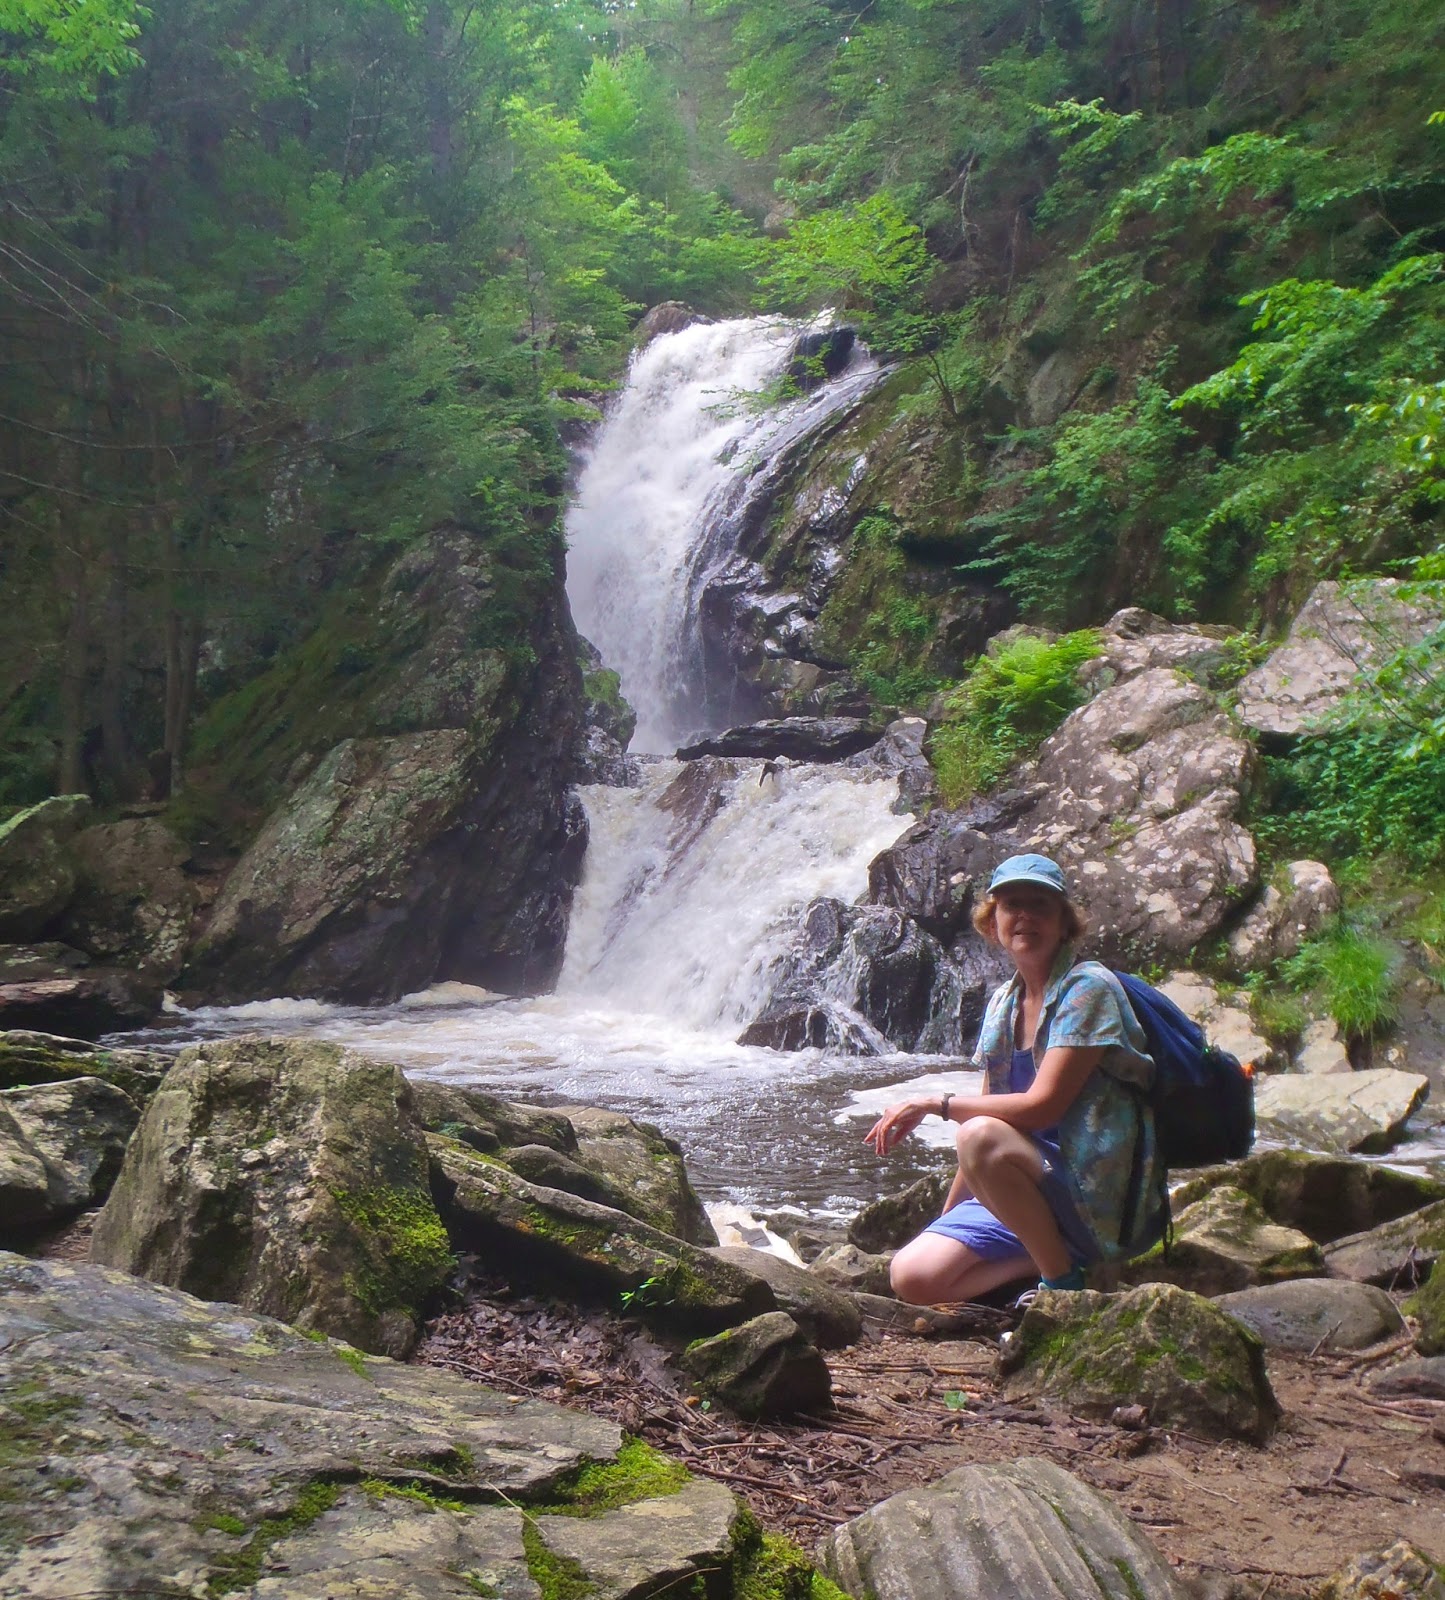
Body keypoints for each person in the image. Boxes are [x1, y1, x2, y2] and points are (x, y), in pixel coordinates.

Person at [863, 853, 1161, 1304]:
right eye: (1011, 905)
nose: (1024, 915)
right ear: (993, 922)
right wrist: (947, 1225)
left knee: (979, 1135)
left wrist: (934, 1104)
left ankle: (1063, 1287)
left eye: (1040, 905)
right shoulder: (1004, 1002)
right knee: (912, 1276)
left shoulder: (1088, 990)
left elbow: (1041, 1108)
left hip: (1093, 1198)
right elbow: (986, 1118)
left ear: (1064, 923)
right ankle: (1061, 1262)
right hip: (1026, 1190)